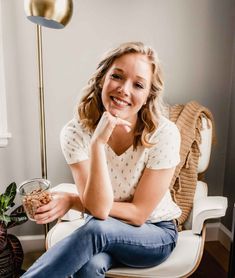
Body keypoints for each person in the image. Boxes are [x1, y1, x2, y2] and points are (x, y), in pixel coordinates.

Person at [22, 41, 182, 278]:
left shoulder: (163, 134)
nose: (124, 90)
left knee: (96, 228)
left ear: (148, 96)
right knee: (89, 267)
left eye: (138, 85)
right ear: (101, 79)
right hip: (101, 227)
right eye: (117, 76)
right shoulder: (75, 133)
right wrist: (98, 143)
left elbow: (138, 213)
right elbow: (98, 208)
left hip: (154, 233)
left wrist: (73, 200)